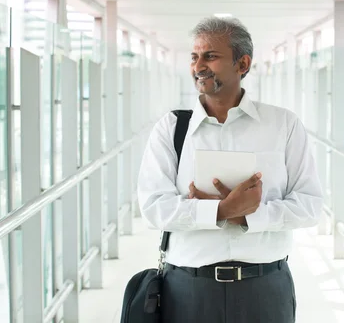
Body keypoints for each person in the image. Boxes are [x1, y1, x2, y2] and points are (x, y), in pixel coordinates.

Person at [137, 16, 323, 323]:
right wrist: (222, 211)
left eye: (210, 56)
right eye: (194, 57)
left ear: (242, 63)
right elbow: (153, 207)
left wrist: (247, 215)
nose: (199, 67)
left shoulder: (283, 125)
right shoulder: (171, 129)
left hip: (265, 289)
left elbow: (310, 206)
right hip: (188, 290)